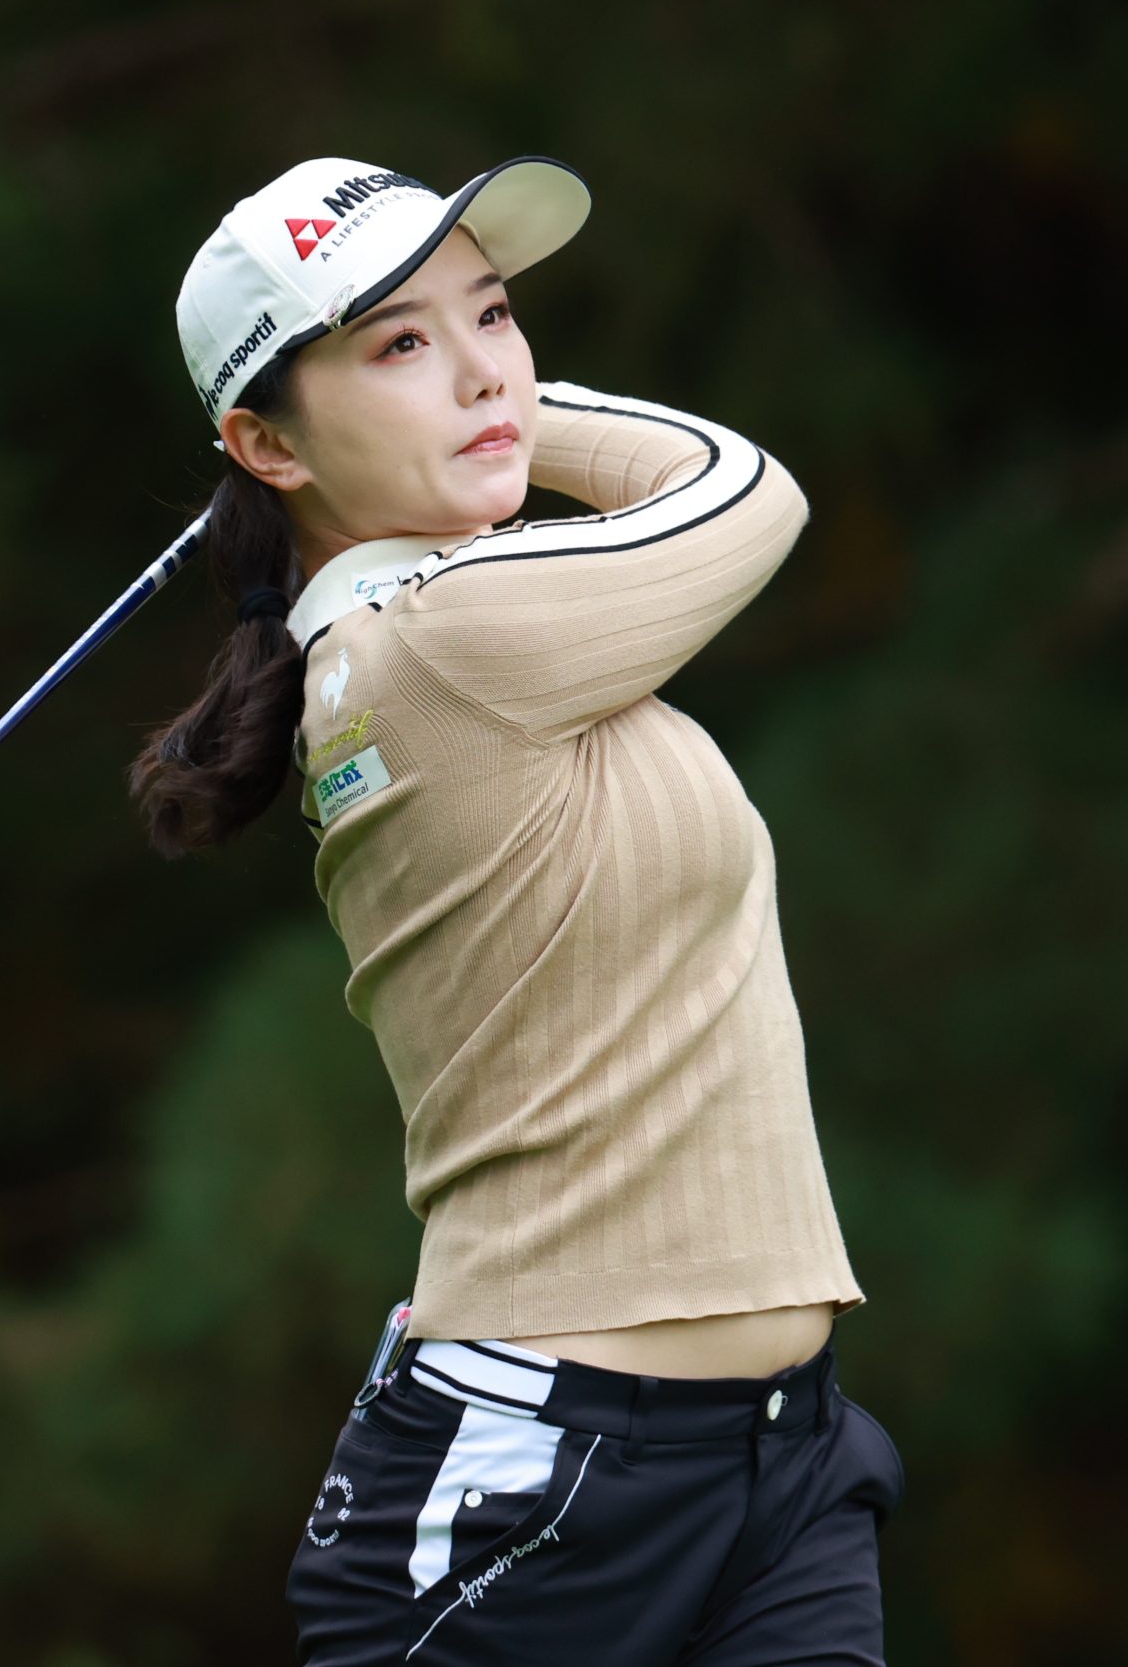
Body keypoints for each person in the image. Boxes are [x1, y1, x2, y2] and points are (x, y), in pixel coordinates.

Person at [146, 154, 905, 1665]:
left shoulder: (445, 635)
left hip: (779, 1461)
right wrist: (517, 417)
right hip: (542, 1489)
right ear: (267, 442)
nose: (485, 368)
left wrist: (446, 405)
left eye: (493, 314)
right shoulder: (441, 641)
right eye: (399, 343)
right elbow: (747, 491)